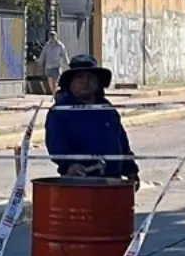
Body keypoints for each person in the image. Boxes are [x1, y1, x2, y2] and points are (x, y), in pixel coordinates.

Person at [45, 54, 139, 184]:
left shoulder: (107, 109)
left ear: (97, 82)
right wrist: (70, 165)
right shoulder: (61, 112)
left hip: (112, 183)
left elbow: (121, 143)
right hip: (79, 184)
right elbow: (56, 146)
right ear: (70, 82)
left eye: (90, 77)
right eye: (79, 77)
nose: (85, 81)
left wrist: (131, 170)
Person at [37, 26, 70, 95]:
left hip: (57, 66)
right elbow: (43, 54)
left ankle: (55, 95)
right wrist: (40, 62)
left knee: (56, 82)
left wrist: (67, 62)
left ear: (56, 36)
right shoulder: (47, 45)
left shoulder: (60, 45)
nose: (52, 37)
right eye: (50, 36)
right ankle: (54, 93)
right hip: (48, 67)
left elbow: (64, 54)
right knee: (50, 83)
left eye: (53, 35)